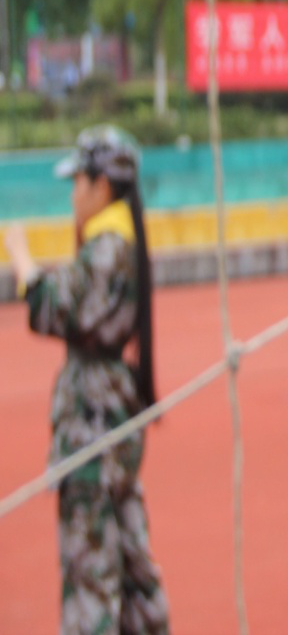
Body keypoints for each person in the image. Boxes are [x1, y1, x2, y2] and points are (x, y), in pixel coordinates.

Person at [3, 126, 170, 635]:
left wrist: (23, 261)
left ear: (101, 185)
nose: (73, 194)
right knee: (128, 557)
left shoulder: (106, 246)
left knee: (90, 569)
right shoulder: (119, 241)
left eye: (78, 182)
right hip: (109, 409)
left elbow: (55, 307)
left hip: (91, 422)